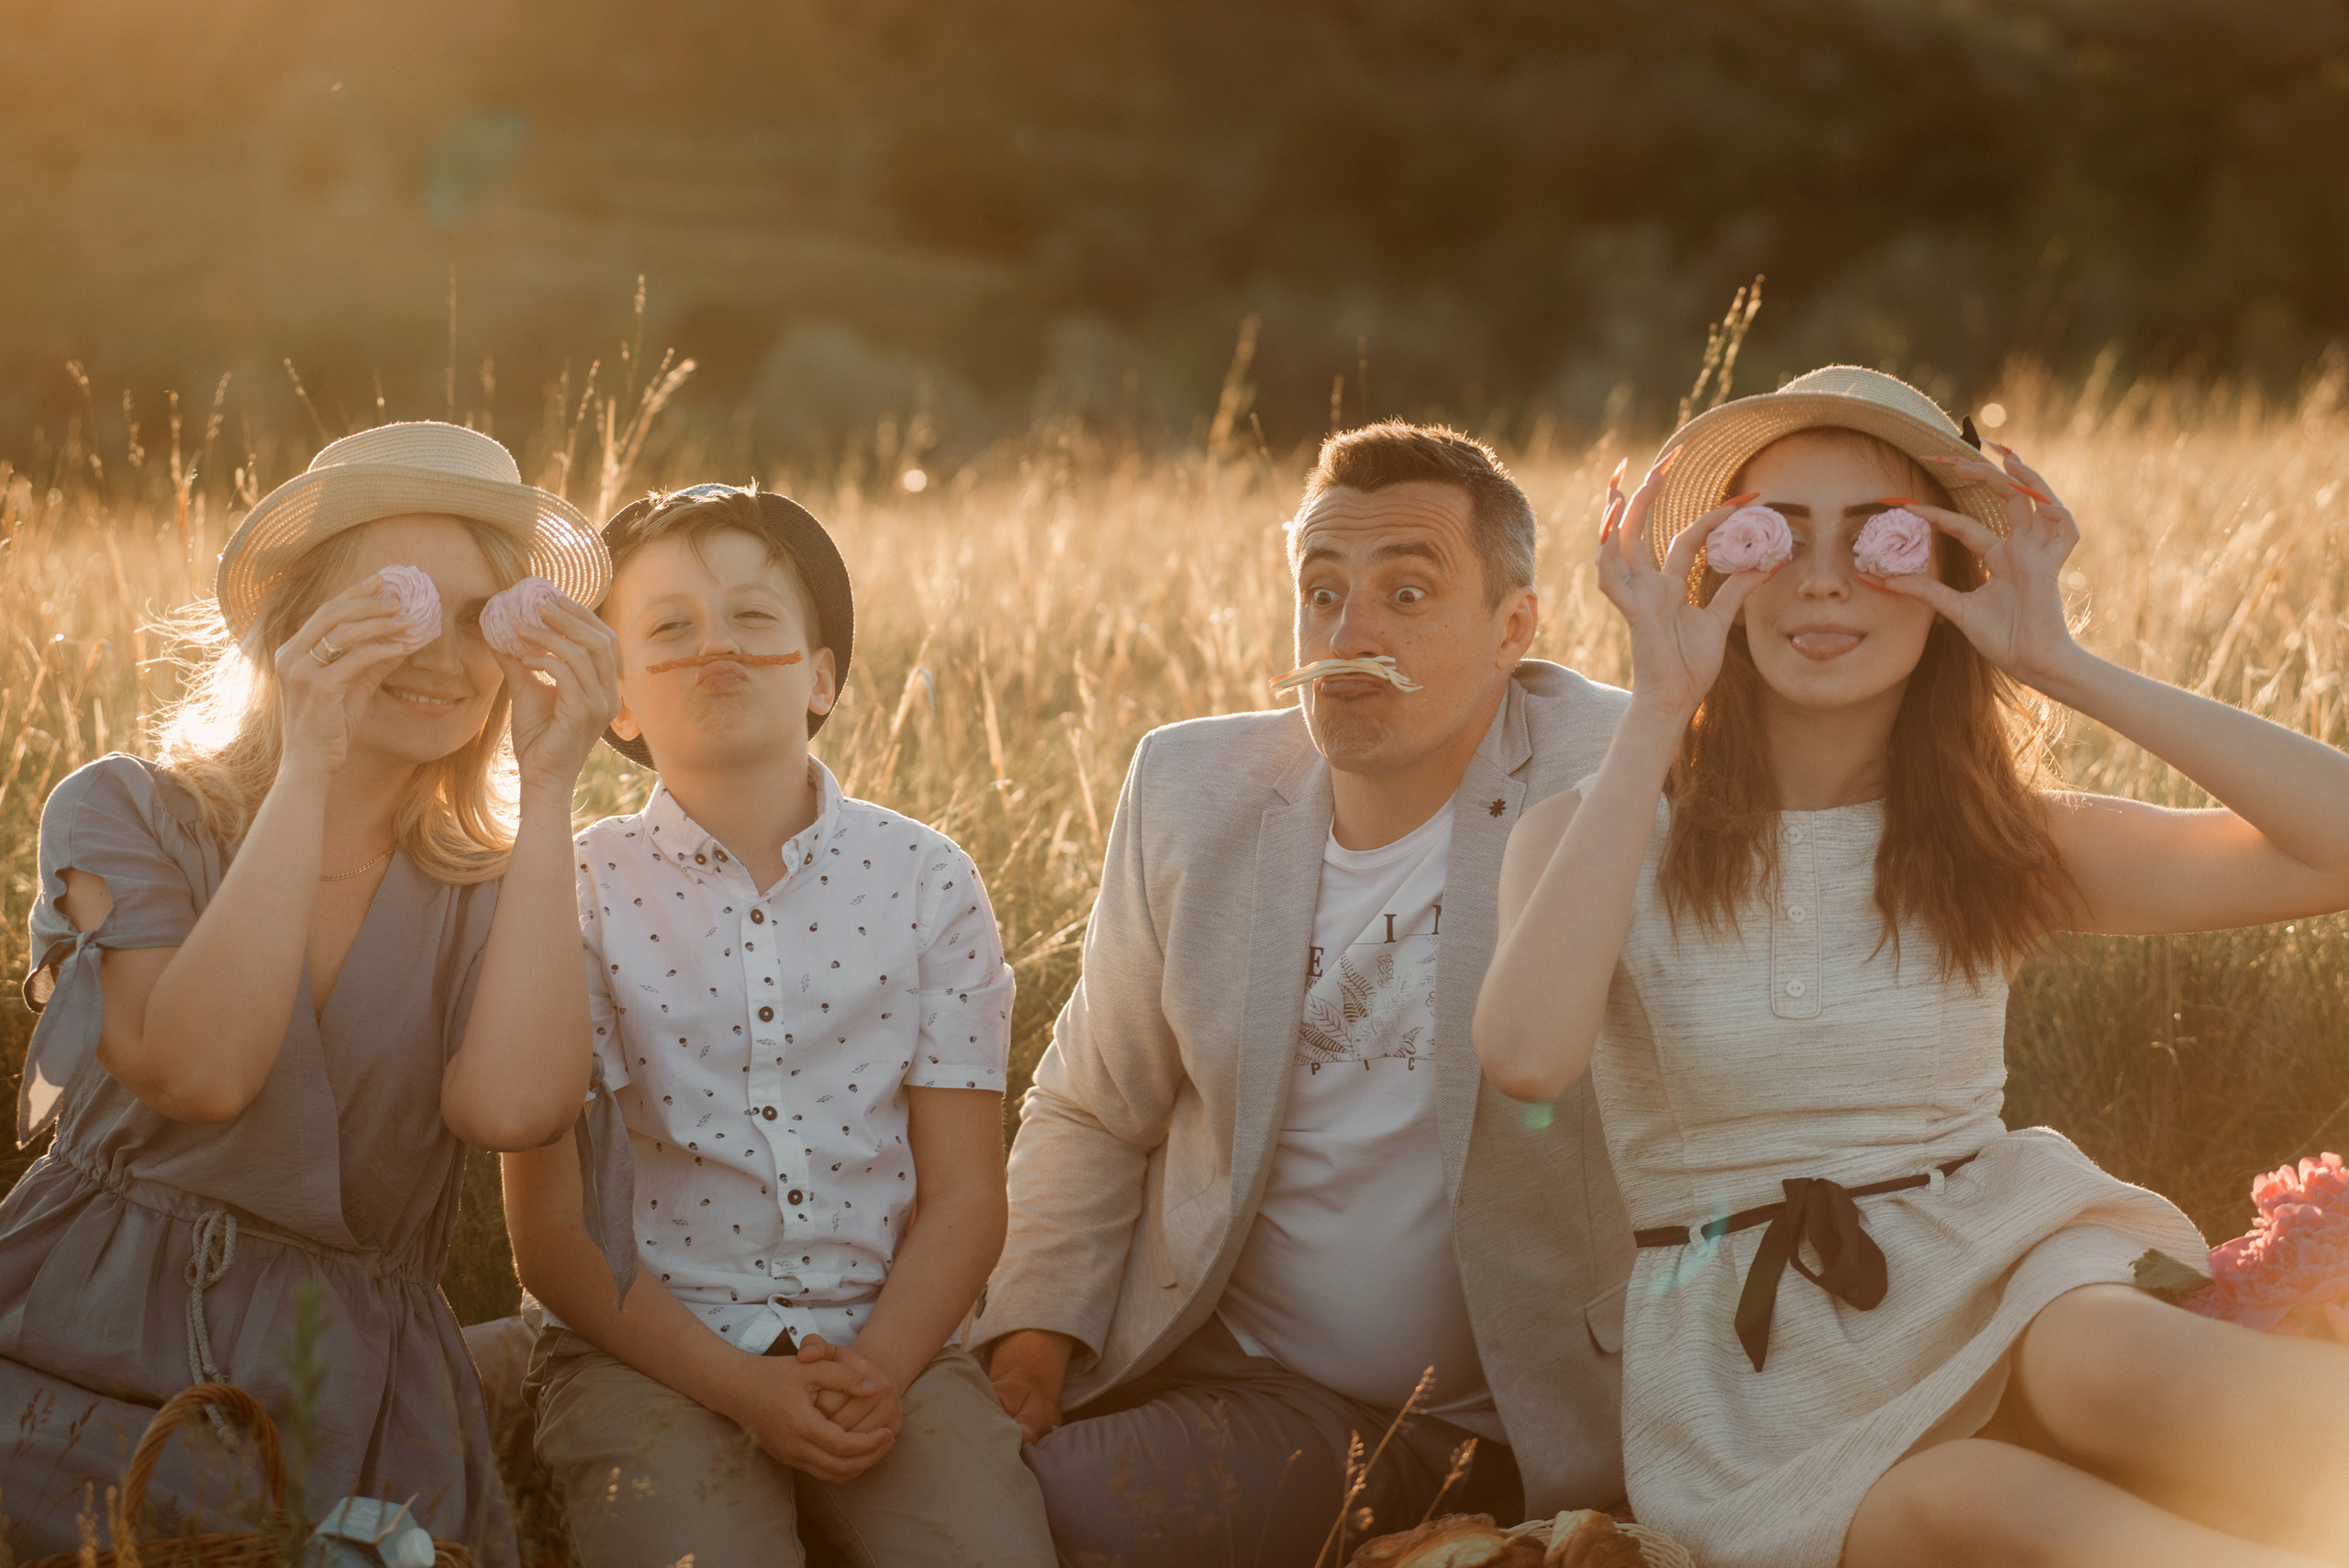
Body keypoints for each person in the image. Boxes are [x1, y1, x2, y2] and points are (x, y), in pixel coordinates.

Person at [1474, 365, 2349, 1568]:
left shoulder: (1997, 835)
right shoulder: (1596, 828)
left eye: (1878, 540)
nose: (1823, 577)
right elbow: (1526, 1056)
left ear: (1941, 577)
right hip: (1760, 1379)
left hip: (1995, 1267)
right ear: (1711, 569)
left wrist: (2060, 661)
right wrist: (1658, 707)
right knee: (1969, 1502)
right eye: (1770, 535)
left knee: (2105, 1352)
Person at [979, 423, 1636, 1567]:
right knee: (938, 1471)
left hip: (1466, 1412)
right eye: (1321, 591)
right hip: (1210, 1345)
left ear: (1513, 629)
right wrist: (1028, 1348)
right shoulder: (1190, 788)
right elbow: (1095, 1102)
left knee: (1049, 1516)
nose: (1349, 634)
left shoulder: (1615, 762)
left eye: (1408, 591)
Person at [0, 421, 626, 1564]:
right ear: (296, 622)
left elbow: (513, 1109)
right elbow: (203, 1070)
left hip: (352, 1393)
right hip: (85, 1339)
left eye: (483, 615)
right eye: (400, 606)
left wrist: (548, 784)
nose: (444, 655)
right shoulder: (123, 814)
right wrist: (309, 761)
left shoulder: (500, 883)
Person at [500, 484, 1055, 1568]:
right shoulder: (572, 890)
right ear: (616, 696)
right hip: (647, 1350)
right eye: (669, 627)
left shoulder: (925, 880)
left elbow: (964, 1194)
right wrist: (744, 1387)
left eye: (755, 618)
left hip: (886, 1342)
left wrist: (881, 1370)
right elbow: (552, 1237)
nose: (718, 647)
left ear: (821, 675)